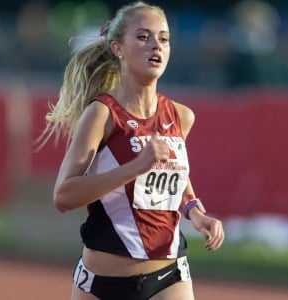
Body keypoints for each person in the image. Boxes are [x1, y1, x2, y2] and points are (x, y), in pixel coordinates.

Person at [40, 2, 224, 299]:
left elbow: (174, 176)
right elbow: (63, 196)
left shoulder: (181, 116)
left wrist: (195, 212)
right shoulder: (102, 114)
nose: (156, 45)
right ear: (118, 48)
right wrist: (134, 167)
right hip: (103, 283)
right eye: (143, 37)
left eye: (163, 39)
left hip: (168, 276)